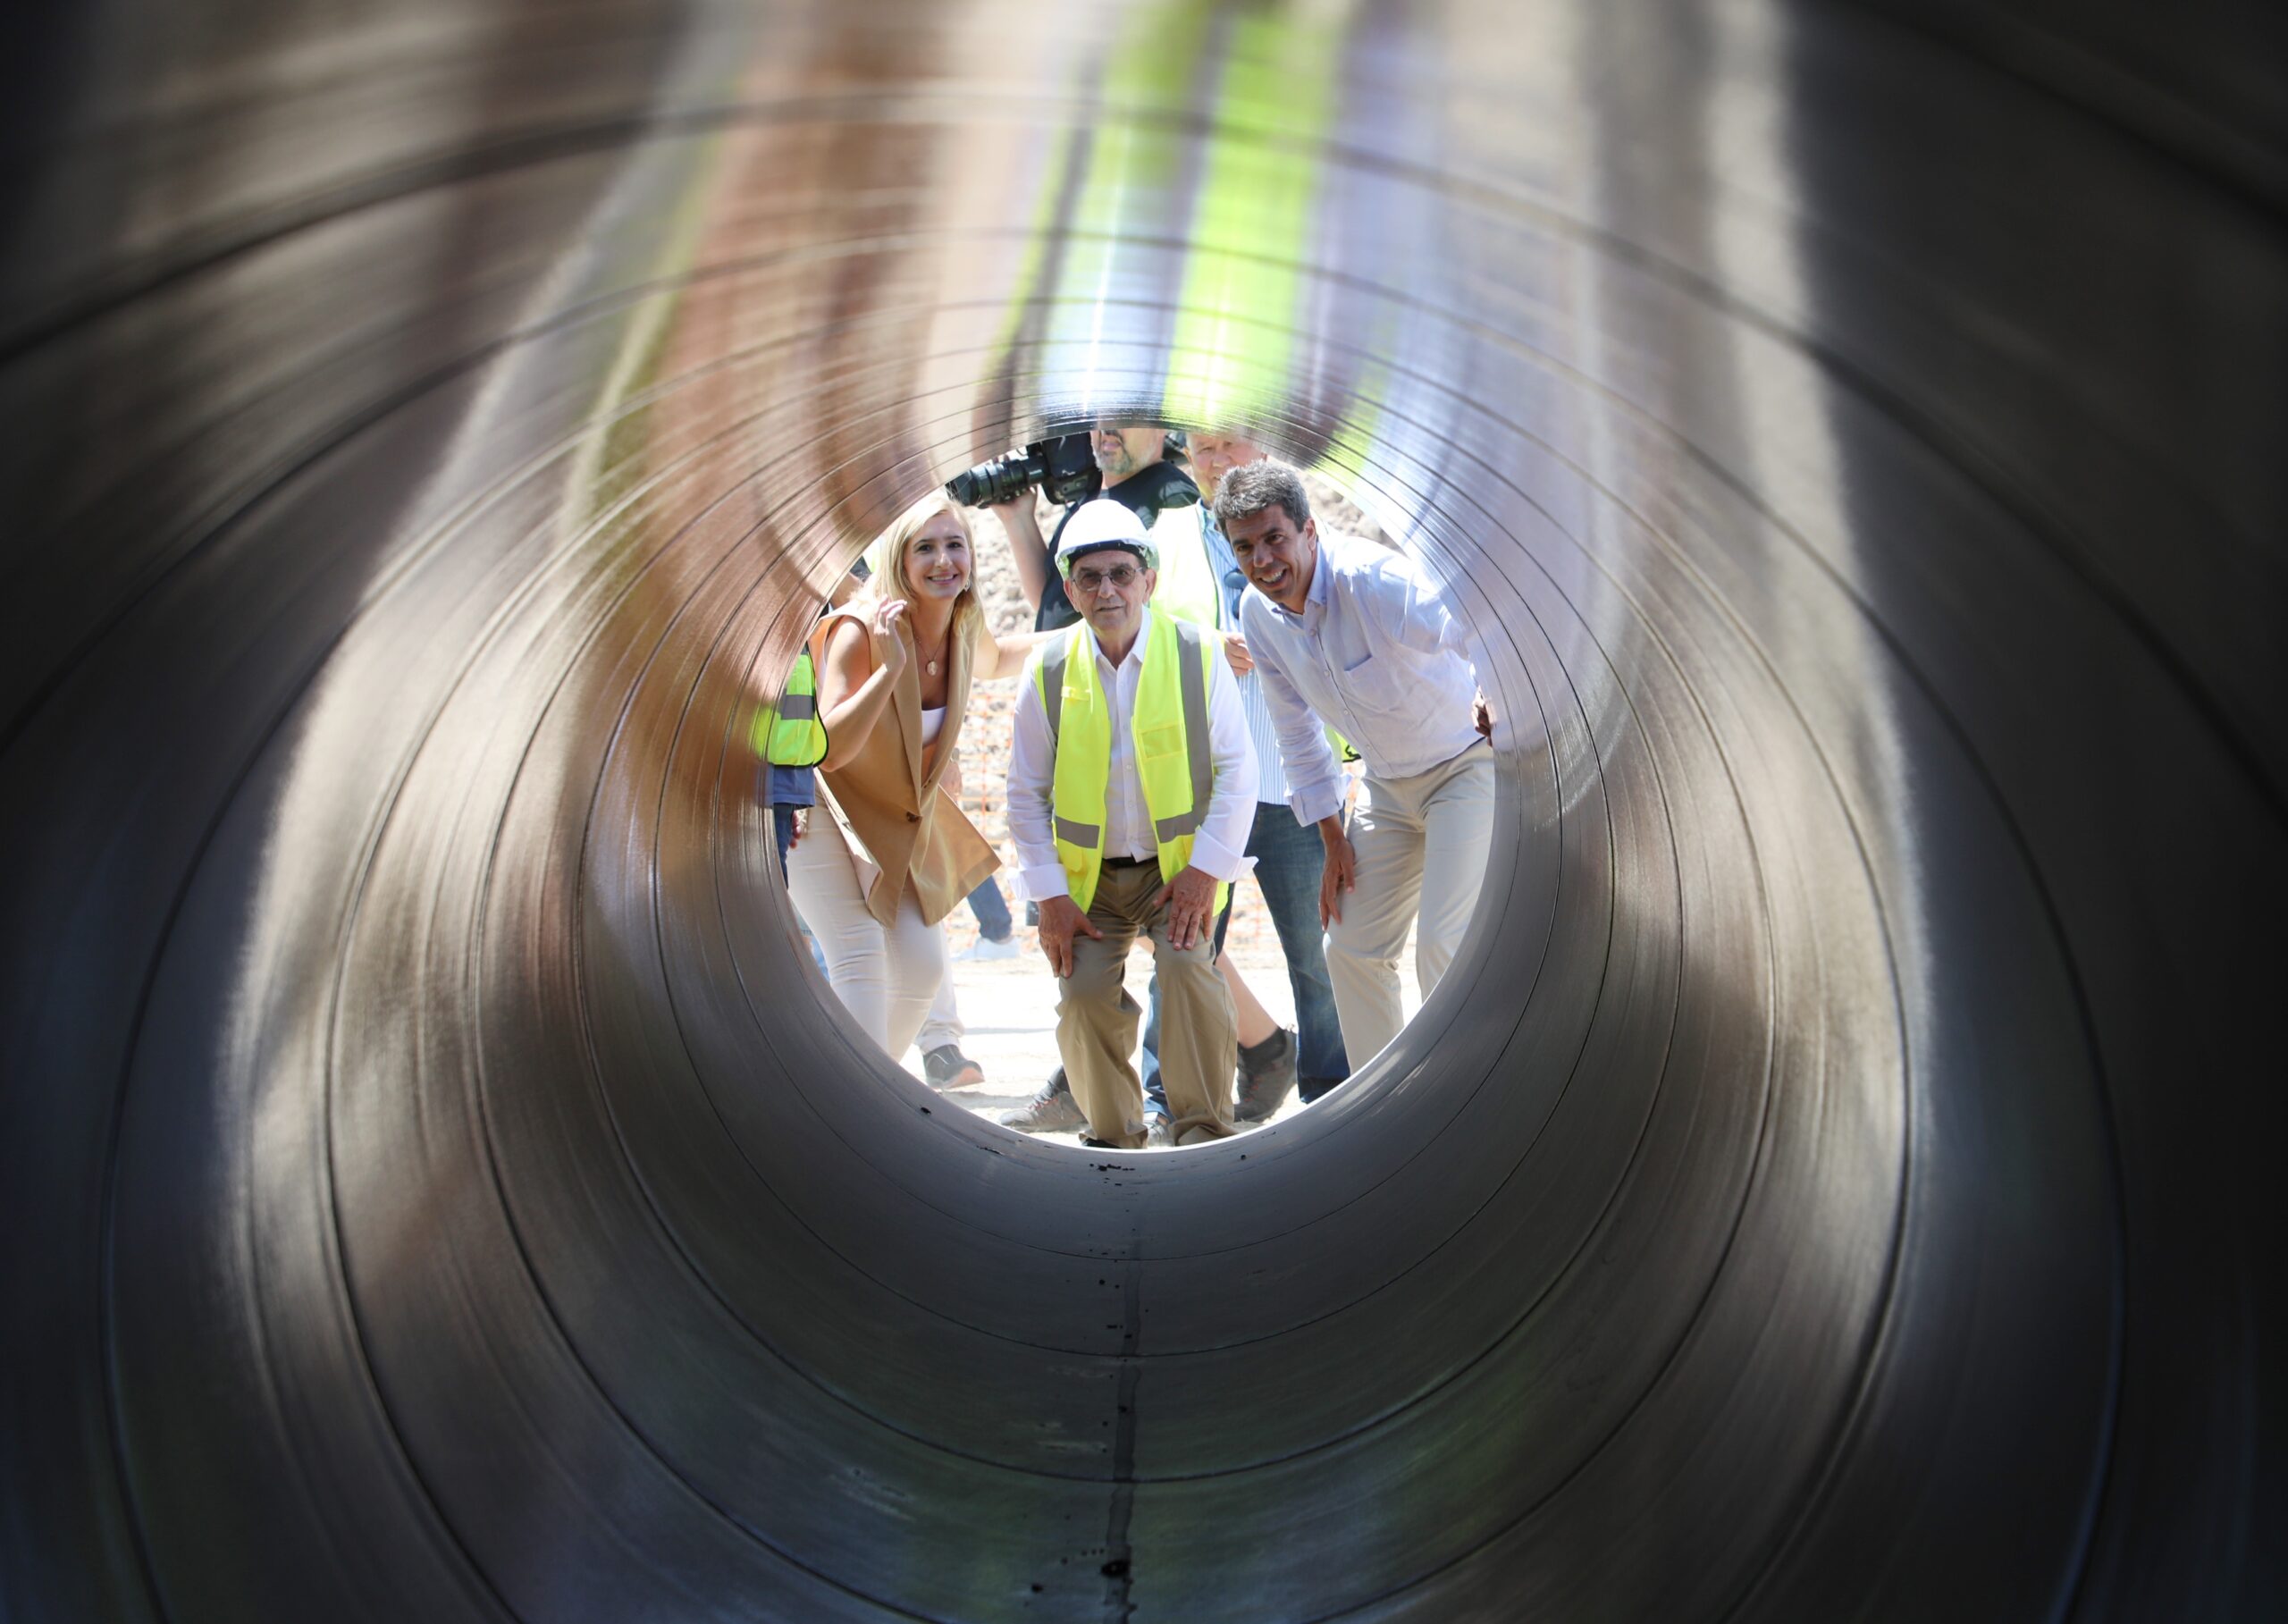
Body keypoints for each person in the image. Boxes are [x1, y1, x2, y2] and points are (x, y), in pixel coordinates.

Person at [993, 423, 1288, 1138]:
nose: (1107, 589)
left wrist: (1203, 876)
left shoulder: (1196, 655)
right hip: (1089, 884)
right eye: (1089, 577)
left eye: (1122, 573)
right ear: (1070, 586)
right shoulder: (1052, 668)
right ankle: (1115, 1137)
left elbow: (1236, 770)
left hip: (1177, 874)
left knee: (1191, 974)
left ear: (1148, 579)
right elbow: (1024, 793)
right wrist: (1052, 897)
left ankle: (1201, 1130)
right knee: (1085, 996)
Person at [1217, 461, 1496, 1070]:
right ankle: (1388, 1101)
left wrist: (1493, 692)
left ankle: (1468, 1089)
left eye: (1274, 539)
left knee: (1445, 942)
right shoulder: (1258, 617)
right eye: (1244, 547)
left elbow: (1473, 623)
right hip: (1385, 789)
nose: (1262, 560)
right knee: (1350, 946)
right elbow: (1295, 730)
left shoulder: (1373, 581)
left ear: (1309, 531)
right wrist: (1332, 833)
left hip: (1465, 768)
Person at [786, 496, 1043, 1084]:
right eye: (924, 547)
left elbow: (1000, 659)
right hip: (821, 804)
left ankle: (866, 1091)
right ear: (898, 561)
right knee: (858, 951)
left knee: (924, 969)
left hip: (888, 811)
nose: (943, 560)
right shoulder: (860, 630)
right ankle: (861, 1107)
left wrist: (1090, 629)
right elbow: (831, 747)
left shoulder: (961, 622)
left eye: (955, 545)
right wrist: (890, 669)